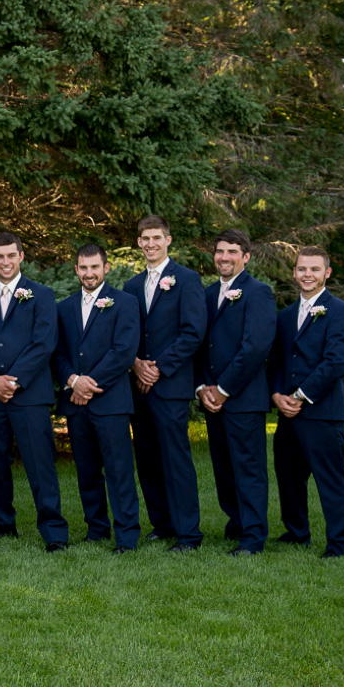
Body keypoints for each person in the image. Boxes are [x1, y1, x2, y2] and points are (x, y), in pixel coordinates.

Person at [0, 232, 67, 551]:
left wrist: (12, 381)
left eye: (10, 256)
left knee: (40, 463)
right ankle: (3, 524)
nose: (5, 262)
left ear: (21, 257)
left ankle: (53, 529)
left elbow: (44, 343)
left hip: (29, 395)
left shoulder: (41, 295)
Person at [123, 215, 208, 551]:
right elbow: (127, 333)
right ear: (139, 242)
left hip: (170, 385)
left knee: (176, 459)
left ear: (168, 240)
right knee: (147, 457)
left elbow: (193, 332)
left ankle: (189, 533)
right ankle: (163, 523)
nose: (150, 244)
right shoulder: (131, 286)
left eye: (156, 237)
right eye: (144, 238)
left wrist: (158, 369)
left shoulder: (187, 280)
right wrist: (136, 364)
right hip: (139, 386)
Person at [269, 247, 344, 558]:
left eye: (314, 269)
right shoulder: (283, 316)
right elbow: (277, 360)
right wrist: (277, 394)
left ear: (327, 273)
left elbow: (337, 362)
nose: (307, 274)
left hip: (322, 411)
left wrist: (299, 395)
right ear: (294, 273)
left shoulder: (341, 311)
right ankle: (297, 533)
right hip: (287, 413)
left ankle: (338, 542)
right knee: (289, 476)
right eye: (302, 269)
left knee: (330, 479)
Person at [53, 244, 142, 553]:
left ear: (105, 268)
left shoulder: (125, 303)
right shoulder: (63, 307)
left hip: (111, 401)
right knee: (87, 470)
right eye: (83, 268)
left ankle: (127, 535)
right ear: (76, 270)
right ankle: (97, 529)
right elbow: (58, 352)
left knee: (119, 470)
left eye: (94, 267)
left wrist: (89, 384)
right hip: (76, 404)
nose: (89, 273)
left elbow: (124, 351)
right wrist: (73, 381)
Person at [195, 229, 276, 556]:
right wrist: (202, 387)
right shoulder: (207, 292)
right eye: (219, 251)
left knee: (248, 468)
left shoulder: (259, 292)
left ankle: (253, 536)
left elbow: (255, 347)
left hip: (242, 398)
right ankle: (237, 521)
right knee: (224, 467)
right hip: (211, 398)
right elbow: (198, 344)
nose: (224, 257)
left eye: (231, 251)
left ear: (246, 256)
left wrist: (225, 389)